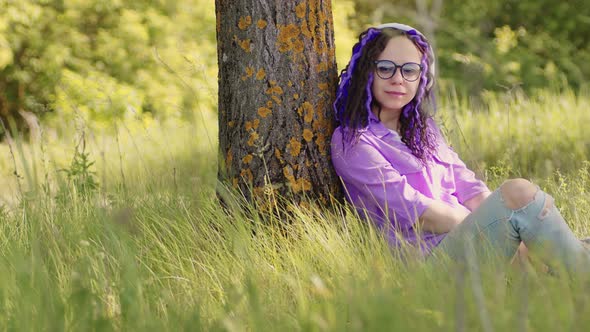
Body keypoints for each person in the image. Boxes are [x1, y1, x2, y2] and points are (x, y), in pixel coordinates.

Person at [330, 23, 590, 275]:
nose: (398, 79)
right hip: (430, 262)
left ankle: (571, 272)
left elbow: (470, 188)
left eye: (409, 70)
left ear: (420, 77)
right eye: (385, 68)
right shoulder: (353, 141)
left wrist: (512, 235)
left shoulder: (424, 131)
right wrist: (498, 228)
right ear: (367, 72)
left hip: (468, 242)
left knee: (565, 245)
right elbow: (419, 214)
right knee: (518, 193)